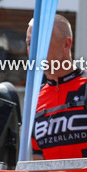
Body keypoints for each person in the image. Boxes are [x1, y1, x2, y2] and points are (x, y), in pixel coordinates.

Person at [28, 15, 87, 160]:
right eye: (30, 44)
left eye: (42, 42)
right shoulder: (34, 98)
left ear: (66, 44)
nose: (34, 51)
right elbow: (38, 160)